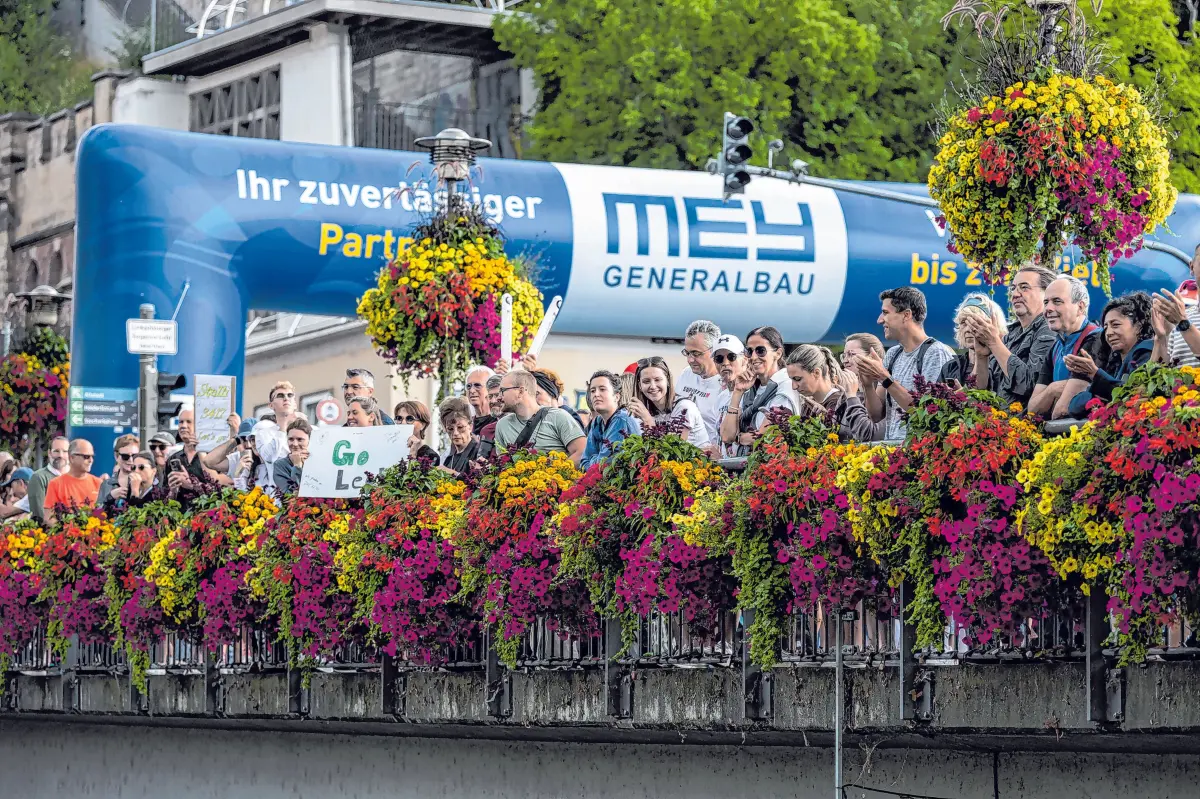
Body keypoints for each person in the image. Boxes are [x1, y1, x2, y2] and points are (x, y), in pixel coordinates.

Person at [856, 287, 955, 440]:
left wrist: (884, 377)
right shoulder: (893, 353)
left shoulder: (936, 352)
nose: (880, 320)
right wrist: (868, 385)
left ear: (906, 315)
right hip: (894, 453)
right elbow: (876, 415)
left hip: (921, 453)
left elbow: (925, 412)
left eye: (886, 312)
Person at [961, 264, 1058, 406]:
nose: (1015, 294)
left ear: (1046, 294)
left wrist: (994, 343)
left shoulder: (1050, 330)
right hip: (993, 423)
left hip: (1026, 426)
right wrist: (981, 357)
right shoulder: (1009, 333)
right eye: (1013, 288)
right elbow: (979, 394)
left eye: (1024, 287)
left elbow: (1029, 385)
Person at [1066, 292, 1156, 416]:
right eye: (1106, 327)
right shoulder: (1113, 361)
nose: (1108, 333)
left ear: (1138, 326)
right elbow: (1074, 407)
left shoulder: (1147, 353)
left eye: (1115, 325)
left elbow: (1131, 396)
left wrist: (1096, 375)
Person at [1027, 276, 1103, 419]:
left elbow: (1062, 410)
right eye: (1046, 302)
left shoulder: (1095, 339)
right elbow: (1032, 410)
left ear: (1080, 307)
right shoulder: (1055, 347)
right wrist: (1053, 389)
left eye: (1057, 301)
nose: (1048, 309)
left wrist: (1048, 399)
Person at [719, 327, 796, 455]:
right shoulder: (750, 389)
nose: (754, 357)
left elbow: (766, 437)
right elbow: (727, 436)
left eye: (760, 351)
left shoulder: (785, 386)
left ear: (778, 353)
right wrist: (737, 392)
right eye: (749, 351)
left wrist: (738, 438)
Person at [786, 345, 876, 442]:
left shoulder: (843, 403)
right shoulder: (808, 405)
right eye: (791, 380)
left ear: (816, 373)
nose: (794, 386)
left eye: (798, 379)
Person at [493, 370, 586, 463]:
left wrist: (554, 473)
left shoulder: (558, 417)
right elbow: (503, 465)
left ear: (520, 391)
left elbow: (582, 451)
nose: (498, 397)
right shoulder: (502, 425)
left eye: (502, 391)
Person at [628, 356, 710, 448]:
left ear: (667, 380)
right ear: (640, 385)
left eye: (657, 380)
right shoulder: (644, 410)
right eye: (646, 381)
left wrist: (648, 421)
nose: (653, 386)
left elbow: (672, 451)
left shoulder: (684, 407)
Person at [938, 294, 1007, 390]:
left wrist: (961, 395)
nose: (968, 329)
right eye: (963, 322)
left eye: (975, 322)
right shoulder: (950, 367)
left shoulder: (1003, 367)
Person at [1150, 243, 1200, 367]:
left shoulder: (1181, 319)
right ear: (1192, 267)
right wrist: (1161, 338)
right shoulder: (1182, 316)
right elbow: (1167, 369)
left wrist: (1183, 324)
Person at [581, 370, 642, 469]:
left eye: (602, 389)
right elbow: (583, 462)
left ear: (617, 396)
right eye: (592, 391)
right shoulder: (597, 422)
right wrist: (596, 460)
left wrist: (593, 459)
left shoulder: (621, 420)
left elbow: (605, 464)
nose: (596, 394)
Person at [676, 320, 724, 442]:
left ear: (714, 350)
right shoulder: (686, 374)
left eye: (696, 354)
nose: (690, 360)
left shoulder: (726, 383)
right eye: (687, 353)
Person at [44, 439, 103, 521]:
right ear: (72, 458)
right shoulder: (56, 484)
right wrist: (66, 531)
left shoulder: (98, 483)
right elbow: (49, 517)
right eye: (86, 457)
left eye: (92, 456)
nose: (91, 460)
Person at [26, 435, 69, 521]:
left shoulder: (75, 476)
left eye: (64, 451)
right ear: (49, 453)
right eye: (56, 451)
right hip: (48, 531)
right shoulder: (39, 477)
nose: (60, 455)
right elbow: (39, 514)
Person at [439, 398, 482, 474]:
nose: (455, 433)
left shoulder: (479, 452)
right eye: (450, 428)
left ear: (470, 426)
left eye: (460, 427)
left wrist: (452, 473)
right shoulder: (448, 458)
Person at [97, 434, 141, 508]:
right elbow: (97, 513)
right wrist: (110, 497)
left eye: (134, 456)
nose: (130, 460)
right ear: (116, 456)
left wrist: (135, 494)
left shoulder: (144, 481)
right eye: (125, 456)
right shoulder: (107, 484)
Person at [394, 400, 441, 466]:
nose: (403, 423)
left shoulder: (431, 456)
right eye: (399, 418)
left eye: (409, 419)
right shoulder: (392, 450)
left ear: (423, 425)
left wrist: (413, 454)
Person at [273, 418, 311, 495]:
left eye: (300, 439)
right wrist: (297, 466)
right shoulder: (280, 465)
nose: (295, 444)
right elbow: (289, 496)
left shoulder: (318, 461)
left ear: (310, 440)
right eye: (291, 439)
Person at [464, 366, 496, 434]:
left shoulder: (501, 422)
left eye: (477, 385)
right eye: (468, 386)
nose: (472, 390)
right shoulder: (465, 425)